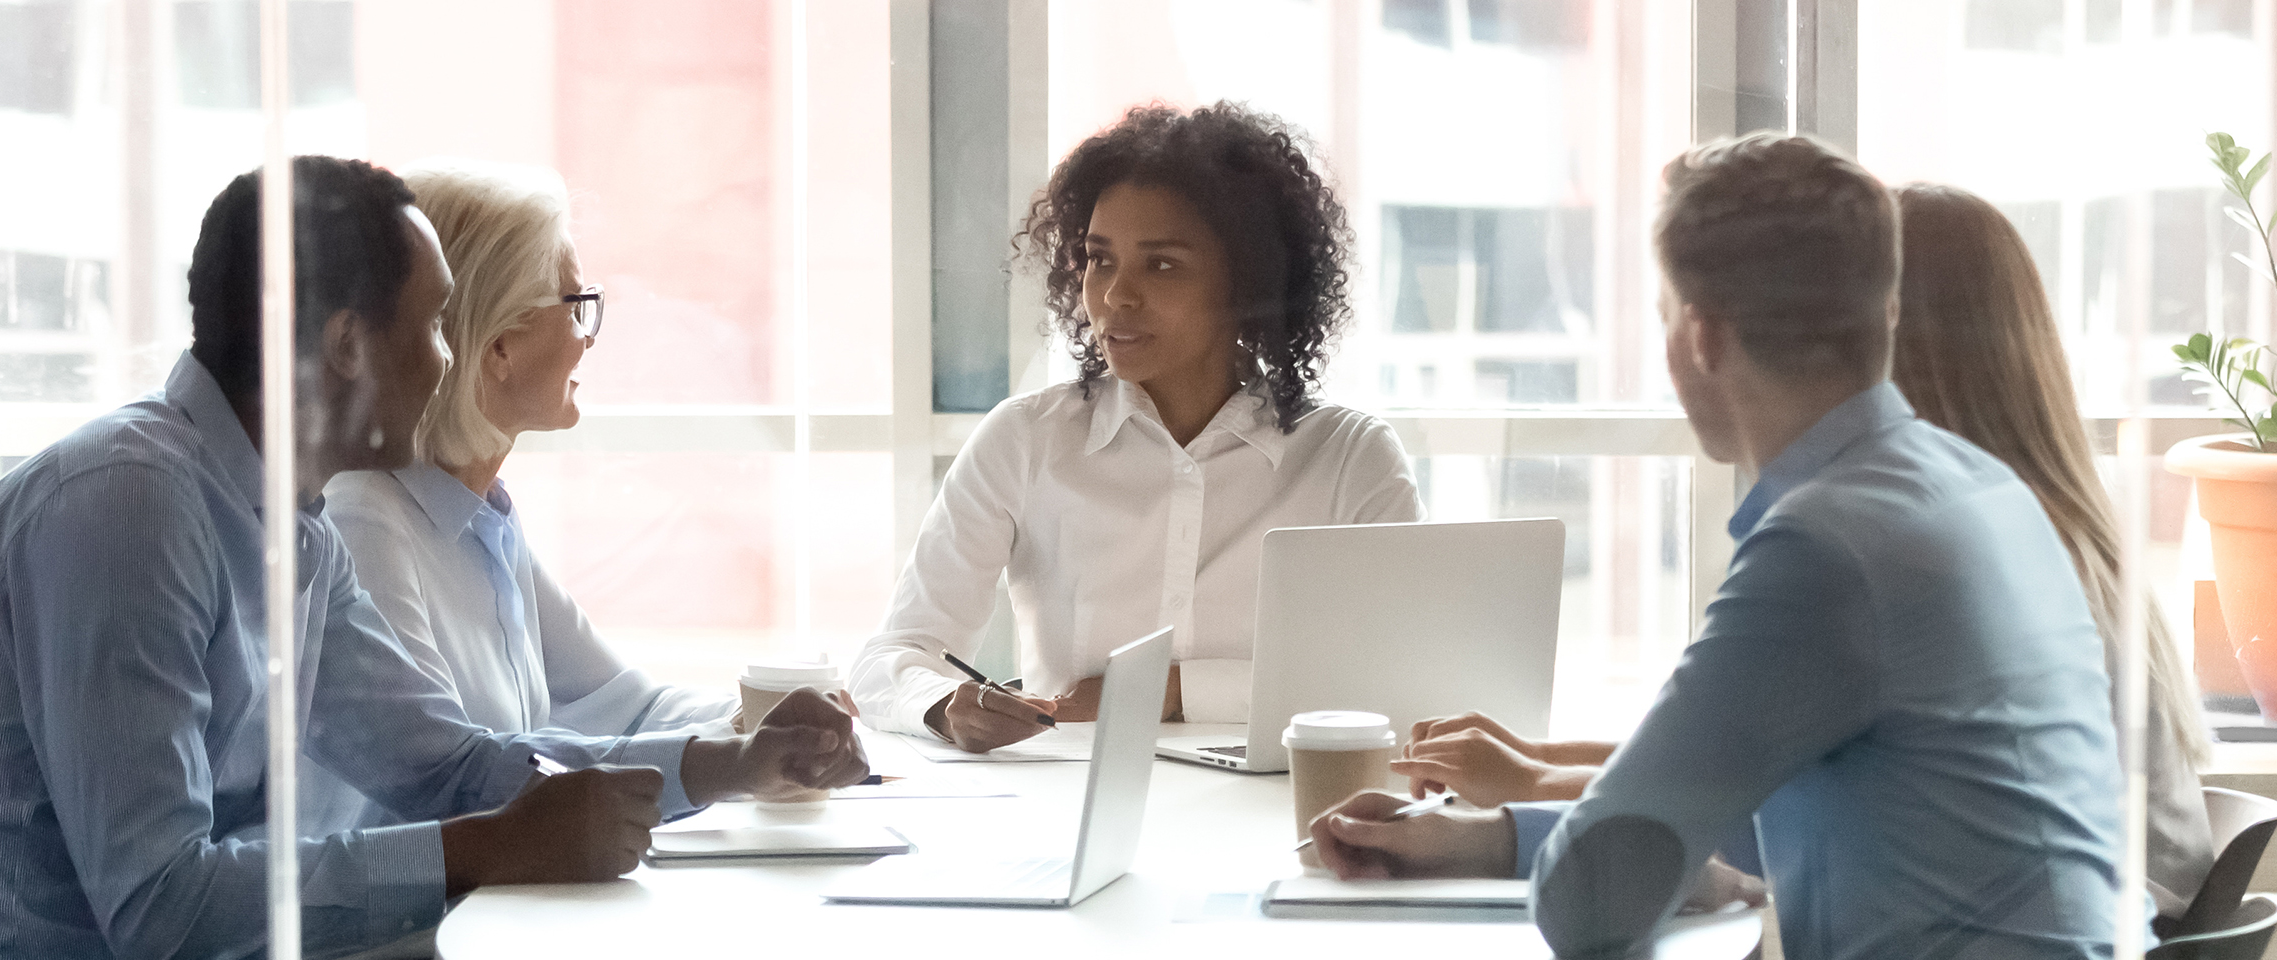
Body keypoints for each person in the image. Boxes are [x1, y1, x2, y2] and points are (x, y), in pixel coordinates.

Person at [0, 157, 869, 960]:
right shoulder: (126, 512)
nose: (449, 358)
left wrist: (733, 764)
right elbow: (162, 912)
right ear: (351, 345)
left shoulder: (299, 527)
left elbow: (448, 765)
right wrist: (484, 848)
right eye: (437, 323)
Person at [1309, 134, 2136, 958]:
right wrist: (1485, 839)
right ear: (1884, 312)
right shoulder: (1981, 488)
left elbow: (1589, 902)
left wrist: (1584, 855)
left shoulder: (1825, 550)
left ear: (1700, 337)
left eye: (1664, 317)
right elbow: (1758, 811)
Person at [850, 102, 1422, 753]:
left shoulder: (1350, 458)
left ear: (1251, 282)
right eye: (1099, 260)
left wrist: (1169, 689)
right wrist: (945, 706)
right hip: (1070, 807)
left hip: (1278, 811)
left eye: (1162, 264)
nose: (1116, 296)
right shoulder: (1027, 439)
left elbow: (1400, 681)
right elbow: (891, 657)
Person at [297, 159, 742, 835]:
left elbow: (630, 707)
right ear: (499, 345)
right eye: (576, 306)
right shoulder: (365, 523)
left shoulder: (482, 524)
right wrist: (735, 759)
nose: (587, 336)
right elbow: (460, 780)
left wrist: (762, 721)